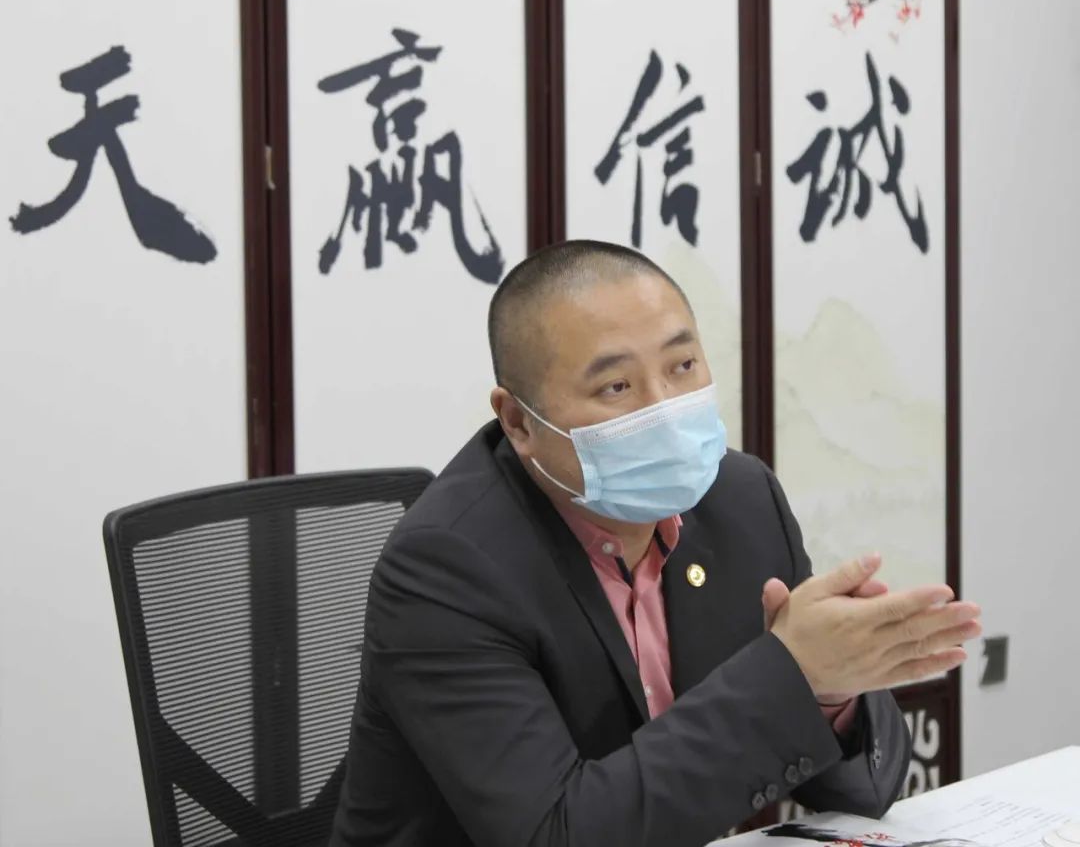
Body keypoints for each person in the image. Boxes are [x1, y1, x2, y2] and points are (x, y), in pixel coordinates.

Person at [330, 241, 981, 847]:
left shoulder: (740, 500)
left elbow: (863, 791)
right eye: (616, 386)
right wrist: (790, 675)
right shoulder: (447, 567)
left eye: (683, 366)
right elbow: (555, 834)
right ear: (519, 422)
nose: (664, 408)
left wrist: (829, 693)